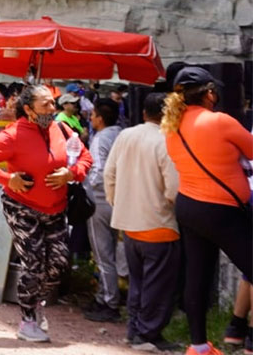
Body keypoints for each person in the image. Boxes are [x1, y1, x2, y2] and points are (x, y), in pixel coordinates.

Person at [0, 84, 93, 343]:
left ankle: (36, 301)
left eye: (53, 103)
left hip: (56, 209)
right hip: (21, 208)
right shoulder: (14, 134)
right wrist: (7, 178)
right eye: (46, 104)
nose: (53, 108)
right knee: (34, 262)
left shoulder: (61, 128)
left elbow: (85, 156)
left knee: (59, 264)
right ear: (28, 109)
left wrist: (72, 173)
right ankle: (27, 319)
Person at [161, 67, 253, 355]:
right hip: (221, 211)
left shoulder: (172, 125)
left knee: (197, 277)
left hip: (189, 206)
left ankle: (199, 346)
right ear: (210, 93)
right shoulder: (220, 122)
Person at [104, 93, 181, 352]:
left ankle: (134, 330)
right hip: (158, 224)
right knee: (157, 286)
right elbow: (174, 187)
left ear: (144, 113)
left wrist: (118, 203)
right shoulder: (167, 140)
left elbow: (109, 173)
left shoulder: (126, 135)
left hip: (130, 225)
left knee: (137, 282)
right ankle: (148, 334)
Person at [83, 98, 124, 323]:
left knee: (102, 254)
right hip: (121, 200)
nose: (90, 118)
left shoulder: (100, 139)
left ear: (99, 118)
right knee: (115, 253)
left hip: (99, 200)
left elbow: (98, 171)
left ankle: (110, 302)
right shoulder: (122, 133)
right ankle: (104, 296)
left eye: (93, 115)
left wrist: (84, 187)